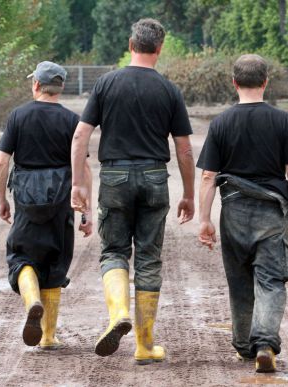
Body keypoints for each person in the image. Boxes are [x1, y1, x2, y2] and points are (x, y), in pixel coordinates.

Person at [70, 18, 195, 364]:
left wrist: (77, 182)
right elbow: (184, 149)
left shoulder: (106, 83)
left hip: (115, 176)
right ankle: (144, 345)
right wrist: (189, 193)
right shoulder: (169, 90)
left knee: (113, 251)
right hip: (155, 176)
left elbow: (81, 136)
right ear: (159, 49)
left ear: (130, 45)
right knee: (149, 258)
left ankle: (117, 314)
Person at [197, 54, 288, 373]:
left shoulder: (220, 123)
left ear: (234, 83)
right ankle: (264, 343)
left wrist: (204, 220)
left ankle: (245, 346)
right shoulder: (282, 121)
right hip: (270, 212)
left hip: (233, 209)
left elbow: (208, 176)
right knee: (271, 280)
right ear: (265, 82)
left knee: (240, 280)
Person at [0, 61, 93, 349]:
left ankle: (31, 299)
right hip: (60, 201)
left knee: (20, 257)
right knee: (55, 264)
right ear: (60, 88)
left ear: (36, 85)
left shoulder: (18, 116)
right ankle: (48, 337)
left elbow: (2, 161)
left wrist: (2, 200)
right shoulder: (72, 121)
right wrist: (86, 212)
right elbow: (84, 169)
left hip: (26, 200)